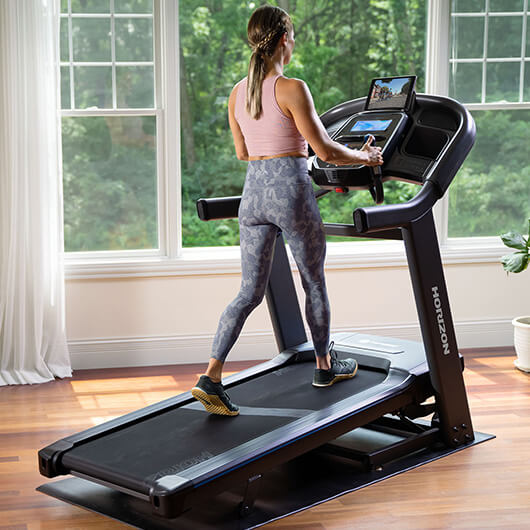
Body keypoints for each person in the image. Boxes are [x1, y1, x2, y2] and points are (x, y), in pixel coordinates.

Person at [191, 5, 383, 416]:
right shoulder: (292, 87)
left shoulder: (237, 92)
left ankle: (211, 375)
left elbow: (244, 151)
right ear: (283, 40)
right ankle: (325, 366)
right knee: (313, 281)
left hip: (254, 195)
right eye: (292, 37)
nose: (293, 44)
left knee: (248, 292)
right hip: (291, 191)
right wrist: (366, 158)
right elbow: (326, 150)